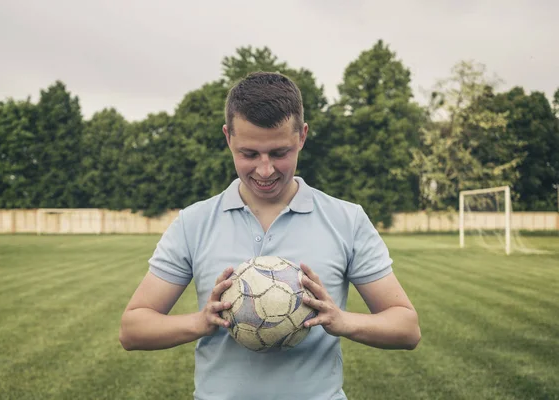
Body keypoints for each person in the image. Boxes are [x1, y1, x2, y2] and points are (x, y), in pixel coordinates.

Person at [119, 71, 421, 400]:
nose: (265, 170)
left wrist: (341, 320)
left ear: (302, 136)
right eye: (249, 154)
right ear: (228, 138)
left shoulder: (346, 220)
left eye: (279, 153)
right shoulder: (194, 222)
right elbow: (133, 329)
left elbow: (406, 328)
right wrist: (201, 322)